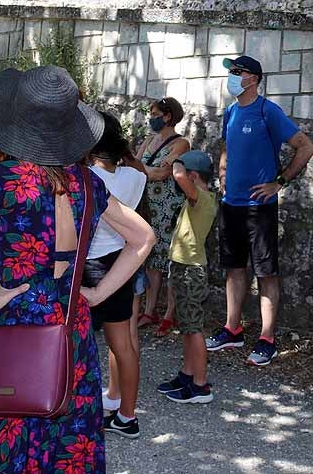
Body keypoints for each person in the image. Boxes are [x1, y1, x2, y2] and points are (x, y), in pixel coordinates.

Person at [0, 66, 154, 474]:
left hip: (16, 317)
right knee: (68, 430)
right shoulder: (89, 184)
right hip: (70, 321)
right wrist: (97, 294)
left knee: (12, 419)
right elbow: (142, 238)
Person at [206, 55, 313, 366]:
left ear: (252, 78)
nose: (231, 77)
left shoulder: (268, 111)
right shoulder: (230, 111)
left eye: (237, 72)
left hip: (259, 208)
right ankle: (233, 328)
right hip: (232, 205)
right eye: (232, 72)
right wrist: (223, 173)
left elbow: (305, 146)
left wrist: (278, 182)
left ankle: (267, 338)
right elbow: (227, 146)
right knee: (234, 269)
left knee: (266, 273)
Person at [87, 112, 148, 438]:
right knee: (122, 344)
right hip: (121, 262)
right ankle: (127, 415)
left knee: (77, 344)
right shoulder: (134, 178)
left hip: (89, 266)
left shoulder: (84, 178)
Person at [157, 150, 218, 404]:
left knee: (194, 329)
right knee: (187, 326)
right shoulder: (199, 197)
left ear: (193, 176)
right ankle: (187, 374)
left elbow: (179, 175)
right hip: (184, 268)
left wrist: (174, 161)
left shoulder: (201, 197)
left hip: (191, 271)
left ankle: (200, 385)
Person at [135, 97, 190, 337]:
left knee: (170, 259)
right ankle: (149, 310)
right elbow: (136, 167)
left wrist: (144, 171)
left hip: (169, 208)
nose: (150, 117)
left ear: (167, 116)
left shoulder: (181, 144)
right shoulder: (149, 140)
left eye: (154, 113)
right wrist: (147, 171)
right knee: (152, 260)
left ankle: (169, 314)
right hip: (148, 206)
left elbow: (163, 173)